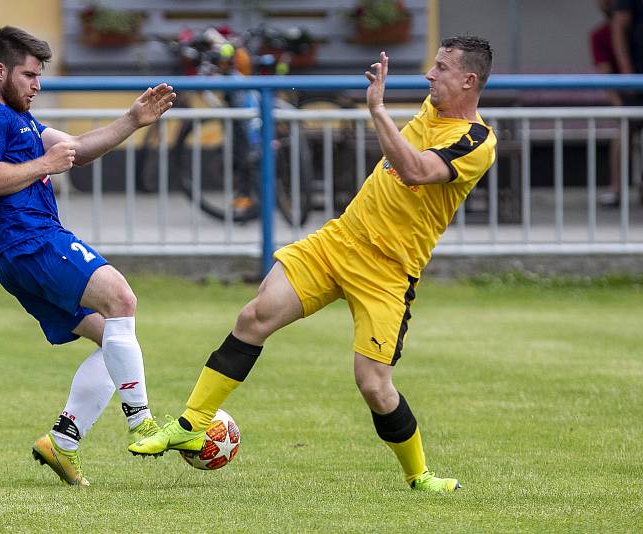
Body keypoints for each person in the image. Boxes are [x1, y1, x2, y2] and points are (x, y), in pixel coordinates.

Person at [129, 35, 496, 494]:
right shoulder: (430, 108)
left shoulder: (477, 141)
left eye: (441, 68)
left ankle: (419, 475)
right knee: (255, 315)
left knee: (374, 385)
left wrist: (378, 110)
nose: (429, 75)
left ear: (468, 80)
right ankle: (190, 422)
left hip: (387, 271)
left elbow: (417, 172)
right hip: (339, 240)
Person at [0, 26, 176, 486]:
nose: (36, 85)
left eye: (39, 76)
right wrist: (45, 164)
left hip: (21, 254)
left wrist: (132, 120)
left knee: (112, 341)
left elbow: (74, 150)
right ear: (0, 72)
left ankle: (63, 442)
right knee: (122, 299)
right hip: (30, 241)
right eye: (29, 75)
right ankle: (142, 423)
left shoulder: (24, 121)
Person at [591, 0, 624, 207]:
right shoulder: (600, 35)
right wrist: (618, 106)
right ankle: (616, 188)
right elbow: (605, 74)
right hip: (625, 97)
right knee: (622, 134)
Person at [610, 0, 643, 205]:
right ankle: (616, 189)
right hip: (636, 81)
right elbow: (618, 26)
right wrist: (627, 72)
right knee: (625, 131)